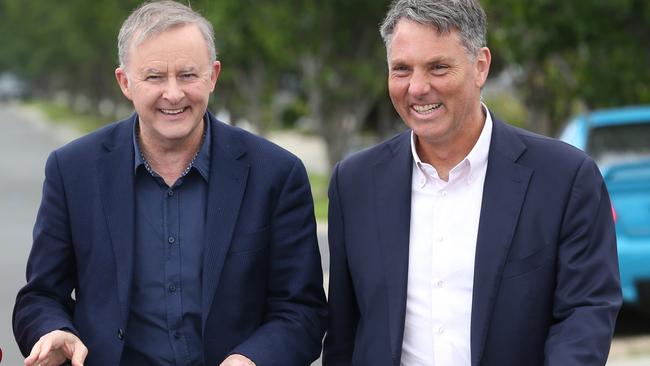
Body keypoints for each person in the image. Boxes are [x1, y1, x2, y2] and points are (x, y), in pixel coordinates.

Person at [13, 1, 327, 365]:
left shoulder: (276, 174)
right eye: (154, 77)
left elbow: (302, 311)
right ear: (125, 82)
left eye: (188, 75)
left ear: (213, 75)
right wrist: (52, 330)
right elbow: (39, 296)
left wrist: (251, 359)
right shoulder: (72, 171)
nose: (174, 93)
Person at [323, 0, 621, 365]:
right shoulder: (353, 183)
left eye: (438, 67)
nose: (417, 88)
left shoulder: (564, 177)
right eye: (402, 69)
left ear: (480, 67)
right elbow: (343, 333)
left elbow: (585, 313)